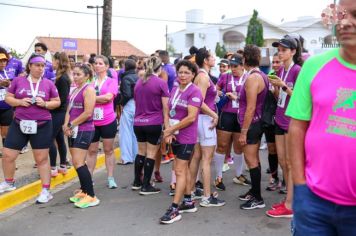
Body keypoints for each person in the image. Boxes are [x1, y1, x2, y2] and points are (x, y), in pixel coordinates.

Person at [287, 0, 356, 234]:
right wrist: (299, 185)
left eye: (354, 14)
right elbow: (297, 127)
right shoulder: (313, 66)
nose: (345, 22)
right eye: (342, 15)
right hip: (313, 202)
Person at [0, 53, 60, 204]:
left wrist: (45, 104)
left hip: (42, 124)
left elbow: (57, 102)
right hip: (19, 123)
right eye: (37, 65)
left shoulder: (48, 83)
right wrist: (19, 102)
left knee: (41, 159)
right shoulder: (18, 81)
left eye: (43, 66)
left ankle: (46, 190)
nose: (41, 68)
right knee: (7, 155)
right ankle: (9, 182)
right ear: (30, 66)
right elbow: (8, 97)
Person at [160, 60, 203, 224]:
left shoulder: (195, 91)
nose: (183, 75)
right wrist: (168, 130)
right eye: (180, 72)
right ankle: (188, 201)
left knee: (179, 171)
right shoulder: (175, 88)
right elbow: (168, 110)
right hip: (174, 134)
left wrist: (171, 129)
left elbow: (191, 117)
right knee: (181, 170)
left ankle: (174, 208)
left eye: (187, 72)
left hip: (186, 137)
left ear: (193, 75)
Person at [266, 34, 303, 218]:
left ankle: (291, 204)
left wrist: (283, 86)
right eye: (278, 50)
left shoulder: (297, 70)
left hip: (291, 120)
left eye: (283, 50)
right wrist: (275, 88)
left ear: (293, 52)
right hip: (279, 118)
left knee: (290, 163)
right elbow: (279, 97)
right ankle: (289, 199)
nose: (280, 54)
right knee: (282, 161)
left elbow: (300, 97)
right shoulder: (280, 70)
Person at [189, 47, 225, 207]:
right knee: (206, 159)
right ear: (205, 60)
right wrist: (214, 114)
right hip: (205, 120)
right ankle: (207, 196)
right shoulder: (203, 77)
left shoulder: (201, 76)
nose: (214, 58)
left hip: (200, 120)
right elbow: (199, 102)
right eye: (212, 56)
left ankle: (190, 192)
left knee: (197, 157)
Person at [132, 56, 169, 195]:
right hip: (153, 122)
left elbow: (136, 103)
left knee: (141, 152)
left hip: (138, 122)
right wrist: (167, 126)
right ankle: (146, 185)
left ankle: (137, 181)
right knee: (151, 153)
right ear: (160, 68)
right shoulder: (161, 83)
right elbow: (166, 107)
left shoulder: (139, 82)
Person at [63, 63, 99, 208]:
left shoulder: (89, 90)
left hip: (84, 129)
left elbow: (88, 113)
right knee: (76, 162)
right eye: (74, 74)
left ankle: (91, 195)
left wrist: (71, 125)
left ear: (87, 76)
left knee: (78, 162)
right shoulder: (74, 90)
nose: (75, 77)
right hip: (73, 129)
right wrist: (66, 125)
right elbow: (69, 110)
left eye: (78, 74)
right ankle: (84, 191)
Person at [238, 45, 268, 210]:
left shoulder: (252, 78)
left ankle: (257, 197)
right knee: (254, 159)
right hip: (256, 122)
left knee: (251, 160)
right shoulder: (260, 74)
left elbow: (250, 107)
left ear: (245, 59)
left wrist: (243, 131)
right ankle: (254, 191)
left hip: (252, 124)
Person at [215, 54, 250, 191]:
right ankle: (218, 177)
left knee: (239, 147)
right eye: (231, 66)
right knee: (222, 145)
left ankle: (239, 175)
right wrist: (221, 94)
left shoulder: (248, 77)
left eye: (235, 66)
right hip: (227, 114)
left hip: (241, 115)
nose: (233, 69)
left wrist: (237, 97)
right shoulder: (225, 76)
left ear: (242, 65)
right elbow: (215, 90)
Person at [86, 55, 118, 189]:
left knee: (108, 150)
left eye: (100, 63)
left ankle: (110, 178)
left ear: (106, 66)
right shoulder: (89, 82)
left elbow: (108, 97)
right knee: (91, 151)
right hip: (92, 121)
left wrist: (91, 98)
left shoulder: (111, 81)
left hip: (108, 120)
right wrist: (98, 98)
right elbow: (84, 98)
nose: (97, 65)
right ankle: (89, 179)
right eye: (95, 63)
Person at [49, 52, 71, 177]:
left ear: (58, 61)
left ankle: (53, 167)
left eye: (53, 60)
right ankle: (62, 165)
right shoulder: (60, 76)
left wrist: (47, 104)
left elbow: (61, 99)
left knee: (50, 139)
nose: (52, 63)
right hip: (59, 111)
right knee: (59, 139)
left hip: (58, 112)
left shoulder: (62, 78)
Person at [264, 53, 281, 191]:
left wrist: (276, 87)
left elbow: (280, 98)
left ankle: (286, 180)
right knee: (272, 149)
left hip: (283, 118)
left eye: (278, 62)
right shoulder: (269, 76)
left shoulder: (287, 76)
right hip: (270, 118)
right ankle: (274, 177)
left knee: (283, 152)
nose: (275, 64)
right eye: (273, 62)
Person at [119, 59, 138, 164]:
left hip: (129, 104)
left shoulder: (126, 78)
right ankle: (135, 155)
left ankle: (126, 157)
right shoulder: (138, 77)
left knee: (125, 131)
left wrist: (121, 103)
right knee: (134, 132)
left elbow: (127, 94)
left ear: (125, 67)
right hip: (138, 104)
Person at [0, 48, 13, 156]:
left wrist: (9, 85)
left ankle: (6, 156)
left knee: (5, 133)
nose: (2, 63)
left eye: (4, 61)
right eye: (0, 61)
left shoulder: (7, 73)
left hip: (6, 107)